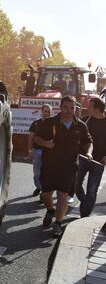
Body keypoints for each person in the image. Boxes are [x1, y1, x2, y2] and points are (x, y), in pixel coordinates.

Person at [35, 95, 93, 238]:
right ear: (60, 108)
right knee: (46, 195)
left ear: (75, 109)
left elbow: (88, 142)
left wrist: (89, 153)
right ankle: (50, 210)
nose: (69, 110)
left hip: (69, 167)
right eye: (66, 107)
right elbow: (36, 137)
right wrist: (45, 143)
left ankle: (58, 223)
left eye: (72, 108)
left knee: (62, 195)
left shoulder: (80, 125)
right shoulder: (49, 122)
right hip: (49, 166)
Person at [75, 97, 106, 217]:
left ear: (97, 109)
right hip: (82, 158)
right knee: (75, 185)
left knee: (92, 190)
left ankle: (84, 214)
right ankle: (85, 203)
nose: (87, 108)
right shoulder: (85, 119)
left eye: (90, 106)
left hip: (99, 162)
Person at [28, 104, 52, 200]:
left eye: (49, 111)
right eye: (45, 111)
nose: (47, 113)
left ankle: (44, 194)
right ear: (42, 112)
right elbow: (31, 137)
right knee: (37, 174)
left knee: (47, 174)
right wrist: (30, 150)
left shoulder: (54, 124)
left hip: (50, 153)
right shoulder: (36, 123)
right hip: (37, 151)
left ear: (51, 112)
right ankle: (39, 187)